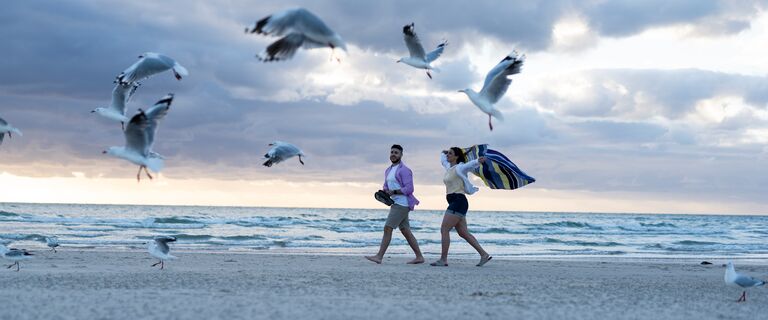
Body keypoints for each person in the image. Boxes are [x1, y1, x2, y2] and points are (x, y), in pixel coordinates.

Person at [430, 147, 492, 267]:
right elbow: (443, 160)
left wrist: (478, 160)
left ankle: (443, 260)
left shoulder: (460, 167)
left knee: (444, 229)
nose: (448, 155)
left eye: (450, 153)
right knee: (463, 232)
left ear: (457, 156)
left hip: (458, 201)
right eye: (447, 153)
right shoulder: (449, 168)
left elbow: (469, 165)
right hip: (455, 202)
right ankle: (484, 254)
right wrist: (442, 153)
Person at [365, 144, 424, 264]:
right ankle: (419, 257)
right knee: (405, 231)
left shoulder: (405, 170)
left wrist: (395, 191)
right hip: (395, 202)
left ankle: (379, 256)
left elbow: (409, 188)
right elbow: (386, 185)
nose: (393, 154)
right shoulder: (388, 170)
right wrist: (385, 191)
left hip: (402, 203)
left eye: (396, 152)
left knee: (388, 228)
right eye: (392, 152)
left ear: (401, 155)